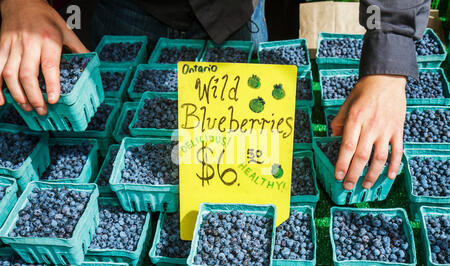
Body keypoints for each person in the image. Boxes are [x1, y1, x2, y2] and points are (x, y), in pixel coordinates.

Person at [0, 0, 431, 192]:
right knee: (118, 158)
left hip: (233, 14)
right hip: (129, 10)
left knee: (239, 169)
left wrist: (390, 59)